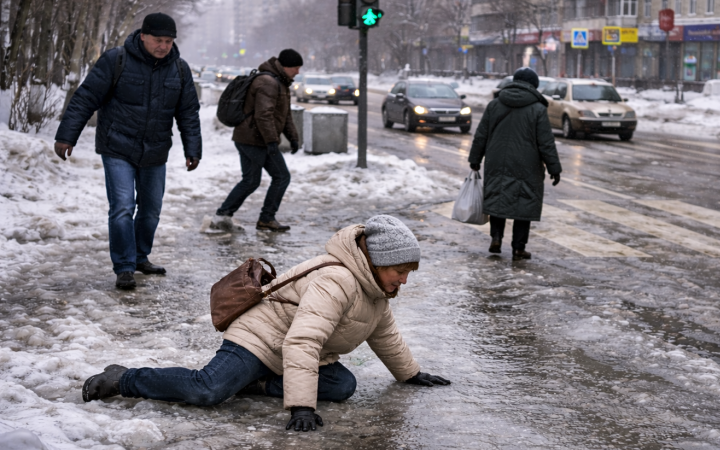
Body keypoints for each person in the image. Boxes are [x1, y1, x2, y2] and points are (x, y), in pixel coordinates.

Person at [81, 215, 450, 432]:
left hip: (292, 354)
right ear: (377, 261)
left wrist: (410, 374)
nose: (403, 281)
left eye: (407, 274)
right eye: (400, 272)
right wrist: (301, 406)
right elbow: (303, 343)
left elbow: (384, 334)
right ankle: (124, 378)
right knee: (209, 391)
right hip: (257, 339)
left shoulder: (373, 290)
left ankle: (254, 384)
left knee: (343, 385)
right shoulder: (336, 281)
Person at [54, 13, 202, 290]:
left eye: (169, 41)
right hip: (117, 146)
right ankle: (124, 266)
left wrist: (193, 147)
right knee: (122, 207)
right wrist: (66, 136)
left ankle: (139, 256)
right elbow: (86, 98)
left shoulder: (179, 69)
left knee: (151, 211)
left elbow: (188, 113)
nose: (163, 46)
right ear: (143, 36)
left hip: (156, 150)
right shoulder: (116, 60)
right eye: (158, 40)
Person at [468, 67, 562, 261]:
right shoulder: (537, 108)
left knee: (498, 198)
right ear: (534, 86)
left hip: (497, 160)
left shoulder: (495, 104)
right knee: (524, 204)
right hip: (527, 164)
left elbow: (481, 135)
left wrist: (475, 159)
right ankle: (519, 248)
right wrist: (554, 168)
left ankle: (496, 237)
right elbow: (545, 142)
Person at [211, 49, 302, 233]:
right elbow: (263, 115)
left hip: (253, 138)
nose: (298, 72)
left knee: (252, 180)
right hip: (253, 139)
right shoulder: (268, 82)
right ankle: (264, 218)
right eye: (295, 67)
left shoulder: (281, 82)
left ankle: (225, 215)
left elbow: (285, 116)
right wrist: (271, 142)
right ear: (285, 66)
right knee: (280, 176)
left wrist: (293, 137)